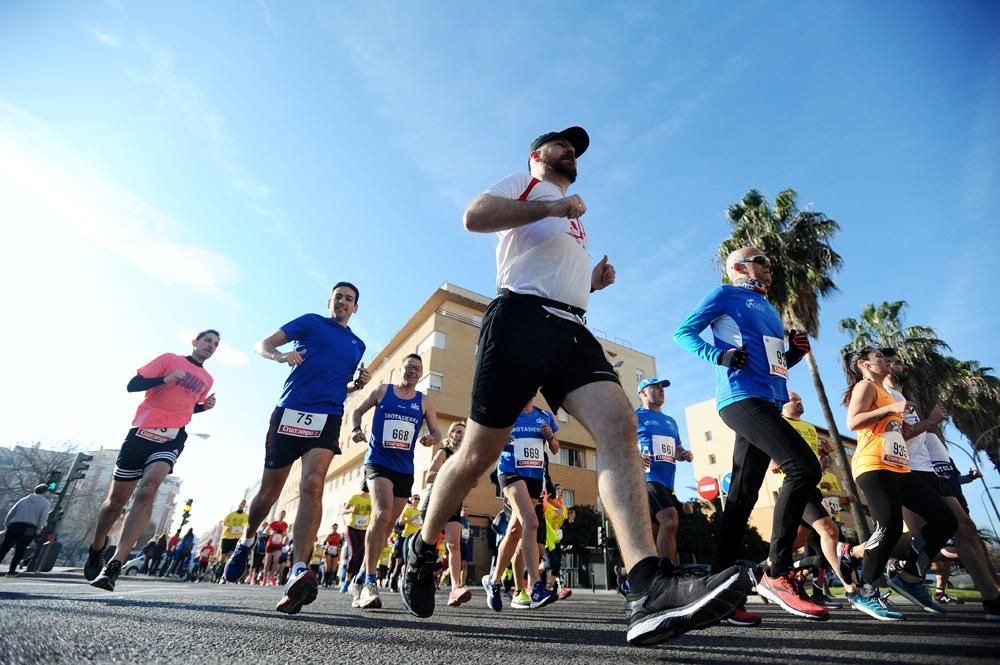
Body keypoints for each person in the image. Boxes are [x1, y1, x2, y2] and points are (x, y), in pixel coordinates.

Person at [400, 127, 747, 647]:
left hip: (571, 327)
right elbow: (474, 218)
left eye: (576, 149)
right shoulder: (525, 184)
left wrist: (592, 282)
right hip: (518, 317)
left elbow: (555, 270)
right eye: (562, 145)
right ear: (537, 155)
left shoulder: (570, 214)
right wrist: (551, 210)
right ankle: (422, 549)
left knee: (619, 424)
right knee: (475, 453)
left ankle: (646, 585)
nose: (571, 153)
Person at [675, 247, 827, 623]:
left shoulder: (770, 309)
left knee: (742, 497)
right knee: (804, 469)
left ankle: (716, 594)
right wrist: (718, 357)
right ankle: (776, 572)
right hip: (740, 399)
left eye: (768, 261)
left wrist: (792, 355)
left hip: (769, 400)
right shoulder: (725, 294)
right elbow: (684, 332)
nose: (768, 265)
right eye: (760, 260)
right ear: (738, 267)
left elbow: (773, 363)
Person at [223, 282, 369, 616]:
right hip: (290, 410)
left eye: (349, 299)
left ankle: (299, 569)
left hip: (328, 415)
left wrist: (356, 385)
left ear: (355, 308)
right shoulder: (310, 322)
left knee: (313, 484)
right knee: (268, 494)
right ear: (329, 301)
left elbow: (339, 385)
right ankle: (246, 542)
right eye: (338, 297)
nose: (343, 302)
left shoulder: (357, 345)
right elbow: (263, 343)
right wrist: (279, 355)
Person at [88, 330, 219, 590]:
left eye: (215, 344)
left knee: (148, 490)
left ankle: (115, 562)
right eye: (207, 341)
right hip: (141, 431)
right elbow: (132, 385)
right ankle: (97, 545)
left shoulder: (207, 379)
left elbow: (186, 406)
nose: (211, 346)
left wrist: (203, 407)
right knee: (115, 502)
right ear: (195, 342)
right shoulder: (169, 359)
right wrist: (165, 378)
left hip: (172, 436)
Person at [880, 348, 999, 621]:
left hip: (930, 471)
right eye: (894, 362)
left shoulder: (903, 398)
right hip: (907, 471)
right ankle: (888, 566)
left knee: (964, 528)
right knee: (921, 535)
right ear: (884, 367)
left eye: (899, 361)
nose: (900, 366)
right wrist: (930, 422)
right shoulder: (885, 397)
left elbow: (917, 436)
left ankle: (991, 597)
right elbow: (902, 437)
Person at [841, 347, 958, 619]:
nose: (885, 361)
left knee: (945, 520)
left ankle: (910, 578)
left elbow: (892, 431)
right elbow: (853, 422)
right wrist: (893, 409)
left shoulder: (887, 393)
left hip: (900, 467)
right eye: (879, 357)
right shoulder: (865, 386)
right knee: (890, 527)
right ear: (864, 364)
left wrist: (902, 423)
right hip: (874, 465)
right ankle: (866, 591)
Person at [349, 353, 442, 609]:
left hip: (404, 468)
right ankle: (369, 581)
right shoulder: (383, 391)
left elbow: (437, 431)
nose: (413, 371)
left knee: (389, 523)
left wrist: (431, 439)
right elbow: (356, 410)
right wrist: (356, 430)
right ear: (400, 369)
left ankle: (359, 578)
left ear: (420, 375)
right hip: (378, 461)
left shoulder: (423, 402)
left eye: (417, 369)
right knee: (381, 515)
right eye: (409, 367)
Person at [776, 391, 858, 607]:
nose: (800, 401)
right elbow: (769, 445)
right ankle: (852, 590)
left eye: (801, 398)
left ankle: (764, 569)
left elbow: (813, 451)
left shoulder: (810, 428)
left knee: (798, 542)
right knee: (830, 532)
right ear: (784, 403)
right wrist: (773, 461)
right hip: (796, 485)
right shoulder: (779, 422)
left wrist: (822, 451)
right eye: (796, 399)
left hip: (812, 487)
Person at [635, 378, 692, 565]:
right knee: (670, 519)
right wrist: (635, 455)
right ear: (643, 393)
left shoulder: (670, 421)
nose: (661, 390)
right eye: (656, 387)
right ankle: (667, 573)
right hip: (647, 476)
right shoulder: (635, 416)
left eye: (663, 388)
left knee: (654, 531)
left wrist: (683, 453)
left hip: (668, 481)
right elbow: (620, 443)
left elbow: (677, 448)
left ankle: (639, 578)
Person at [423, 422, 473, 606]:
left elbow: (472, 483)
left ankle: (455, 588)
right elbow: (429, 476)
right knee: (428, 547)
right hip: (436, 501)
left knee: (454, 544)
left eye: (464, 433)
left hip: (454, 503)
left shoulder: (465, 457)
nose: (461, 435)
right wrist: (450, 475)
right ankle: (419, 579)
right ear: (451, 434)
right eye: (458, 431)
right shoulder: (443, 453)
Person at [1, 484, 51, 576]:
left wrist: (7, 525)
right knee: (20, 550)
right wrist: (38, 529)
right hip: (29, 528)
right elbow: (43, 518)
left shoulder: (23, 500)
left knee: (5, 547)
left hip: (14, 525)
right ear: (45, 492)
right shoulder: (45, 503)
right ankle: (11, 571)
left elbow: (11, 512)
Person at [341, 487, 371, 593]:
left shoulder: (372, 499)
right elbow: (343, 511)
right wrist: (351, 510)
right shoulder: (355, 497)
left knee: (361, 555)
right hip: (352, 528)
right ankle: (347, 580)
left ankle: (356, 581)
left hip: (365, 529)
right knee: (354, 553)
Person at [219, 500, 249, 578]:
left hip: (237, 538)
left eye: (243, 504)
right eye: (241, 504)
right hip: (227, 537)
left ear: (245, 506)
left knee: (231, 556)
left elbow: (247, 526)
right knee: (223, 557)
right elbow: (224, 523)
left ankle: (224, 575)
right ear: (238, 504)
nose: (241, 505)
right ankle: (220, 569)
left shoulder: (246, 516)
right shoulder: (231, 514)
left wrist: (244, 528)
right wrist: (226, 527)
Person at [263, 511, 289, 586]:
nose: (282, 516)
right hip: (270, 544)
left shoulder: (285, 525)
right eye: (281, 514)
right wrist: (271, 533)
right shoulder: (273, 523)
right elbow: (265, 531)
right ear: (279, 515)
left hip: (278, 544)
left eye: (284, 514)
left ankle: (271, 577)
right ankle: (265, 578)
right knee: (268, 562)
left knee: (276, 561)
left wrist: (283, 534)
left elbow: (285, 534)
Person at [322, 524, 343, 588]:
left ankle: (330, 582)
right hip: (328, 551)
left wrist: (339, 548)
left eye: (336, 527)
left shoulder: (339, 536)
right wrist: (326, 546)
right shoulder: (329, 535)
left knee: (333, 568)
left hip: (335, 551)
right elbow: (324, 543)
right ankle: (325, 582)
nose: (334, 529)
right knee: (328, 567)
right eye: (333, 527)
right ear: (332, 528)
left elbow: (340, 544)